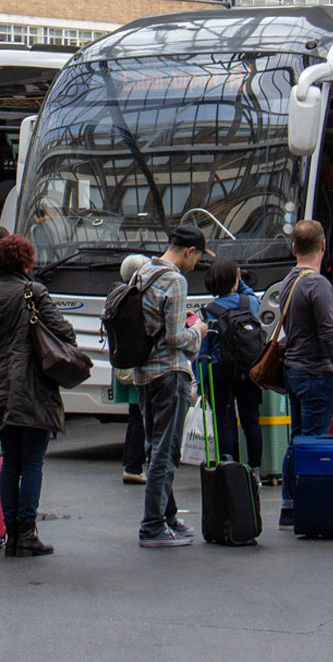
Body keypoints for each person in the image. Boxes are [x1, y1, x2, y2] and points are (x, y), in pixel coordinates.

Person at [0, 233, 77, 557]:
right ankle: (28, 532)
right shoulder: (35, 293)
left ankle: (11, 532)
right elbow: (64, 333)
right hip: (34, 388)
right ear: (26, 262)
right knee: (32, 462)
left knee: (10, 463)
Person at [279, 219, 333, 528]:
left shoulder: (289, 280)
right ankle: (308, 507)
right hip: (316, 373)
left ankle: (290, 504)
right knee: (312, 443)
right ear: (323, 246)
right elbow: (330, 335)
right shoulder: (318, 284)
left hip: (294, 370)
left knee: (298, 439)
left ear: (293, 248)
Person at [132, 225, 211, 548]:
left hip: (143, 373)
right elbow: (177, 338)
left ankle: (167, 515)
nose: (196, 265)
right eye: (198, 257)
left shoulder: (143, 273)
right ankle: (152, 524)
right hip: (170, 373)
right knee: (166, 450)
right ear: (189, 251)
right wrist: (200, 331)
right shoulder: (175, 281)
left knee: (154, 445)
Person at [201, 257, 262, 466]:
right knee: (251, 421)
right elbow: (249, 293)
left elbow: (203, 350)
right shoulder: (250, 304)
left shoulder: (209, 310)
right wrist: (238, 277)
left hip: (219, 369)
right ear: (235, 280)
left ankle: (228, 467)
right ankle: (254, 469)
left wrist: (201, 384)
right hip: (248, 367)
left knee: (223, 422)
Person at [115, 252, 152, 485]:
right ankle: (133, 464)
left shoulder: (118, 294)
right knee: (140, 417)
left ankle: (130, 462)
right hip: (140, 363)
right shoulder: (138, 297)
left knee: (134, 416)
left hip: (125, 362)